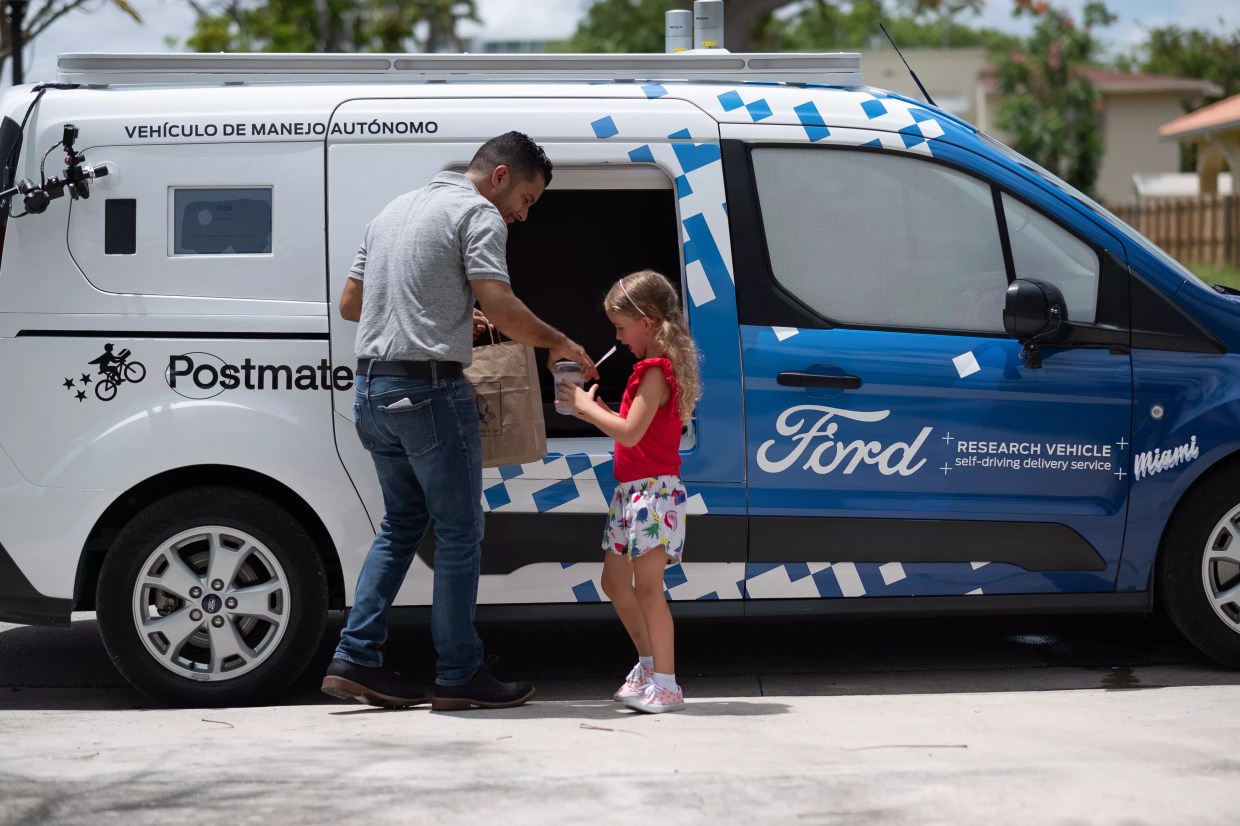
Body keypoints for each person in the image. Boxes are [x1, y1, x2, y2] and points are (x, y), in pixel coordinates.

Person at [321, 131, 597, 710]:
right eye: (526, 198)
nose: (523, 215)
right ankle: (459, 673)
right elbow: (499, 304)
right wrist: (560, 341)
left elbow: (352, 305)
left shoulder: (394, 209)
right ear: (500, 176)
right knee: (459, 534)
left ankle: (355, 657)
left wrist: (443, 311)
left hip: (371, 391)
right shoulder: (477, 215)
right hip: (427, 392)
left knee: (400, 527)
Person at [556, 269, 701, 714]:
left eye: (621, 328)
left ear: (649, 321)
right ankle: (648, 665)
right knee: (615, 581)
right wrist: (596, 411)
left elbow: (631, 433)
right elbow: (630, 429)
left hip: (653, 495)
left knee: (649, 589)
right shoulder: (648, 371)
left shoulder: (656, 371)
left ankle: (667, 684)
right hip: (633, 494)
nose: (618, 339)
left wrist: (583, 406)